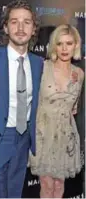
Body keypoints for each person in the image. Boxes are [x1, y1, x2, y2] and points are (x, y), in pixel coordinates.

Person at [0, 0, 43, 198]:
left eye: (27, 22)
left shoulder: (39, 63)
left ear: (34, 29)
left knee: (15, 193)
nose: (20, 27)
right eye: (14, 21)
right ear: (5, 27)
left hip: (24, 139)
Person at [30, 24, 84, 198]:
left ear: (76, 45)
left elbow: (74, 108)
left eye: (69, 43)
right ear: (54, 46)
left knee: (60, 185)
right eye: (60, 44)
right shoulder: (42, 67)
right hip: (43, 133)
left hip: (66, 134)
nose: (64, 48)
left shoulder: (79, 74)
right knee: (46, 185)